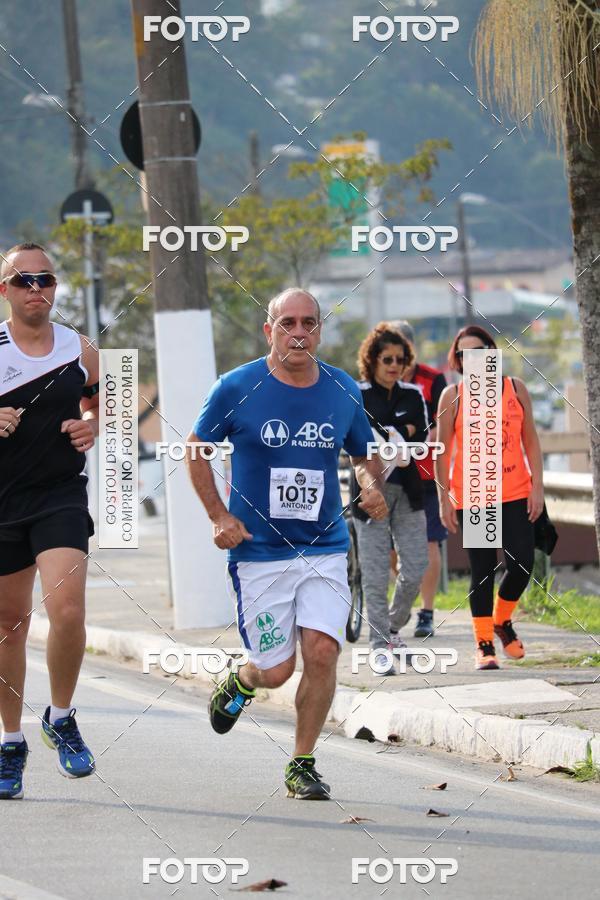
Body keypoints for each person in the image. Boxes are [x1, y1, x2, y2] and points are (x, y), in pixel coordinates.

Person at [186, 288, 386, 800]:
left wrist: (369, 484)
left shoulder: (342, 388)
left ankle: (302, 763)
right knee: (276, 671)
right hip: (260, 553)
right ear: (269, 330)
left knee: (322, 651)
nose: (299, 332)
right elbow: (196, 448)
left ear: (320, 330)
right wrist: (218, 515)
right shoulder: (236, 387)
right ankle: (242, 680)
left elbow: (364, 453)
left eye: (309, 323)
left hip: (324, 548)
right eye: (288, 323)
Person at [0, 242, 99, 800]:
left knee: (68, 610)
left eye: (45, 279)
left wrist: (92, 424)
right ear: (5, 291)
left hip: (60, 496)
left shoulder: (78, 347)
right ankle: (10, 742)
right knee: (8, 624)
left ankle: (60, 717)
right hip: (2, 501)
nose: (36, 289)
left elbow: (105, 400)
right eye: (24, 280)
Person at [435, 325, 544, 670]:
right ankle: (484, 644)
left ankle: (502, 619)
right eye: (464, 353)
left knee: (522, 564)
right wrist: (443, 498)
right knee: (482, 571)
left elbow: (531, 440)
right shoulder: (453, 395)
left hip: (515, 491)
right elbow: (442, 451)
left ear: (491, 353)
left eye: (478, 351)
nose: (472, 358)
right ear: (458, 360)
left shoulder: (515, 388)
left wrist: (538, 486)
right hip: (474, 495)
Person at [350, 323, 429, 675]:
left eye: (400, 359)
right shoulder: (356, 393)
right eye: (387, 359)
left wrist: (394, 430)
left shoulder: (413, 394)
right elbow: (359, 434)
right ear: (372, 360)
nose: (395, 365)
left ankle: (393, 625)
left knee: (416, 566)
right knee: (376, 573)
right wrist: (399, 429)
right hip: (370, 492)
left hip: (408, 490)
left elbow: (421, 432)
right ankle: (379, 645)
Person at [392, 320, 448, 638]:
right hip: (388, 473)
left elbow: (441, 425)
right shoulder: (376, 381)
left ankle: (427, 611)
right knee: (390, 547)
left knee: (428, 541)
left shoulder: (432, 379)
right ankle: (406, 597)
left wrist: (417, 446)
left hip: (425, 473)